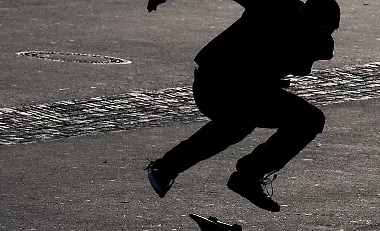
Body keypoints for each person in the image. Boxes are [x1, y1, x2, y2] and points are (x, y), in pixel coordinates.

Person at [145, 0, 341, 211]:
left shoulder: (317, 42)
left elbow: (310, 59)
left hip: (246, 92)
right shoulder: (275, 6)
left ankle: (168, 168)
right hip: (214, 85)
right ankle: (243, 176)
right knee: (254, 120)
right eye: (319, 29)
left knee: (242, 123)